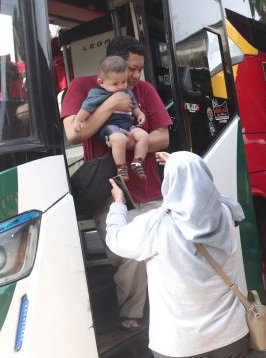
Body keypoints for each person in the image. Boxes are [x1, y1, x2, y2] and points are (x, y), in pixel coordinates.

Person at [60, 35, 172, 331]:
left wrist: (136, 145)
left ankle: (167, 313)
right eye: (131, 69)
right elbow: (74, 133)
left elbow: (163, 136)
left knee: (167, 251)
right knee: (127, 259)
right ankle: (132, 315)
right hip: (111, 192)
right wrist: (110, 105)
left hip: (148, 188)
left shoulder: (144, 90)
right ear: (115, 65)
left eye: (139, 70)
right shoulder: (82, 87)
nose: (135, 77)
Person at [106, 151, 249, 358]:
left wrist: (118, 204)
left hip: (180, 345)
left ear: (169, 182)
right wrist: (185, 165)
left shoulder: (155, 225)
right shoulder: (226, 214)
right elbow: (212, 194)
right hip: (231, 336)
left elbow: (115, 240)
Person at [73, 55, 149, 181]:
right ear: (101, 82)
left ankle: (137, 161)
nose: (120, 86)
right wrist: (78, 121)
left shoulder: (127, 92)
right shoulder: (98, 93)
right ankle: (121, 167)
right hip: (110, 127)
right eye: (115, 84)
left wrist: (140, 114)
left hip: (128, 124)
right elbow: (86, 108)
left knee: (144, 136)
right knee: (119, 139)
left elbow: (134, 106)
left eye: (123, 82)